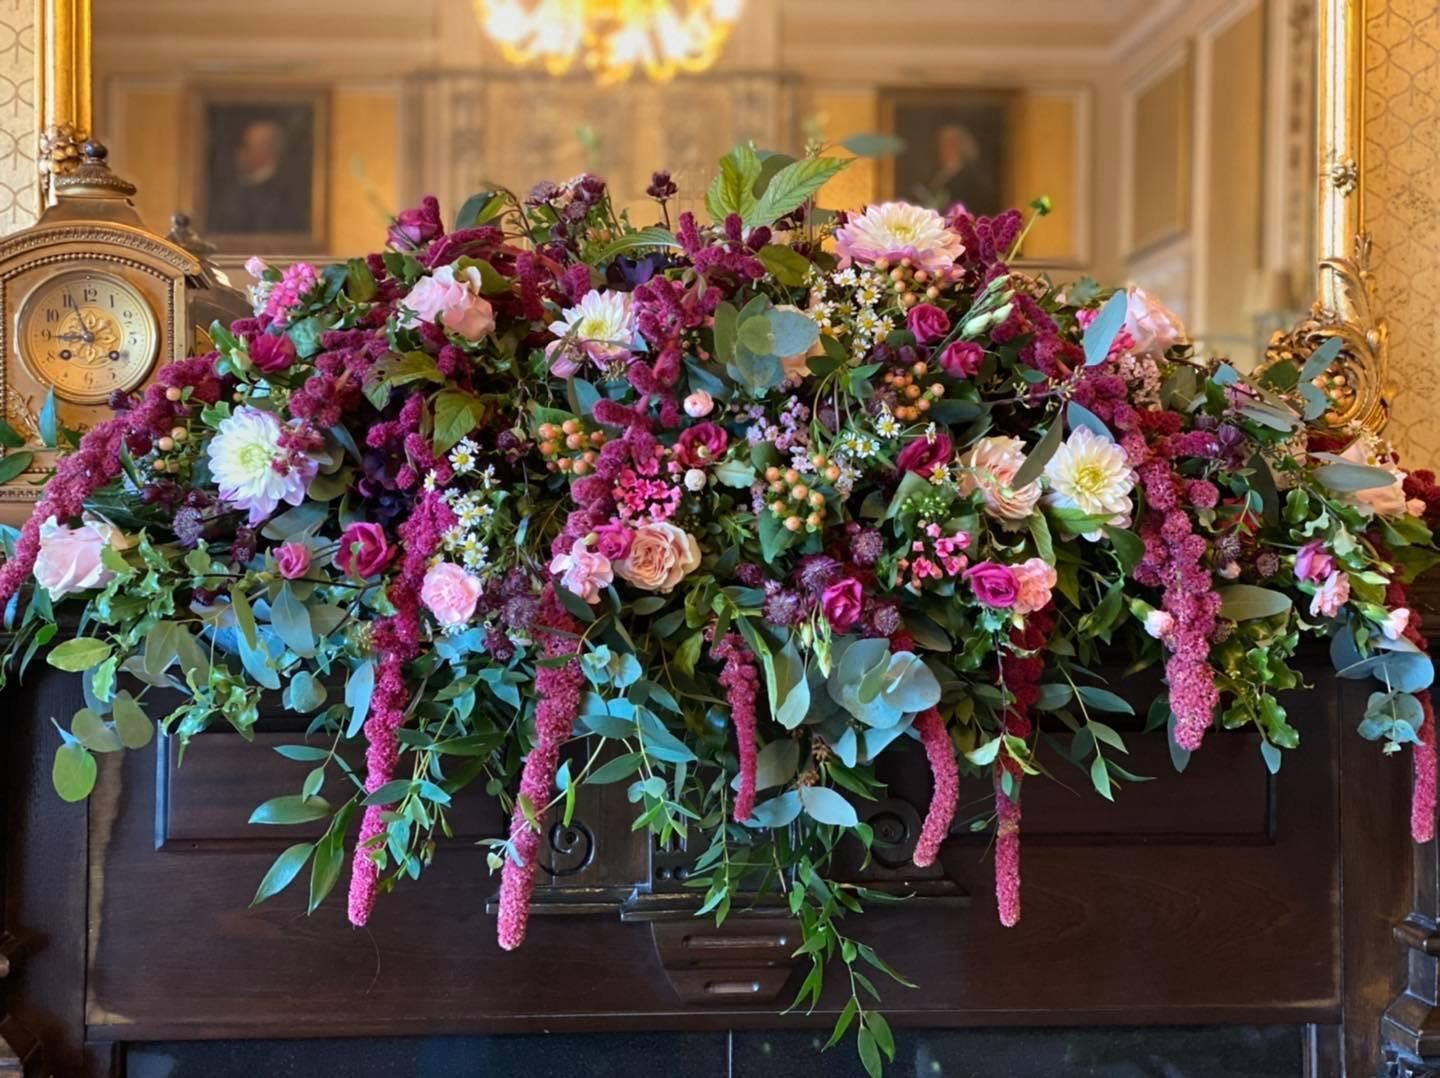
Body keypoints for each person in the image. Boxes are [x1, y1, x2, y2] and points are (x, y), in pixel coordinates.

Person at [207, 116, 311, 236]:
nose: (239, 152)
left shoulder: (288, 194)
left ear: (266, 150)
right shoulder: (234, 189)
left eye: (246, 146)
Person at [920, 122, 1000, 216]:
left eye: (949, 144)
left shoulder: (970, 180)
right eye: (941, 144)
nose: (943, 149)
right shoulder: (936, 176)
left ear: (961, 146)